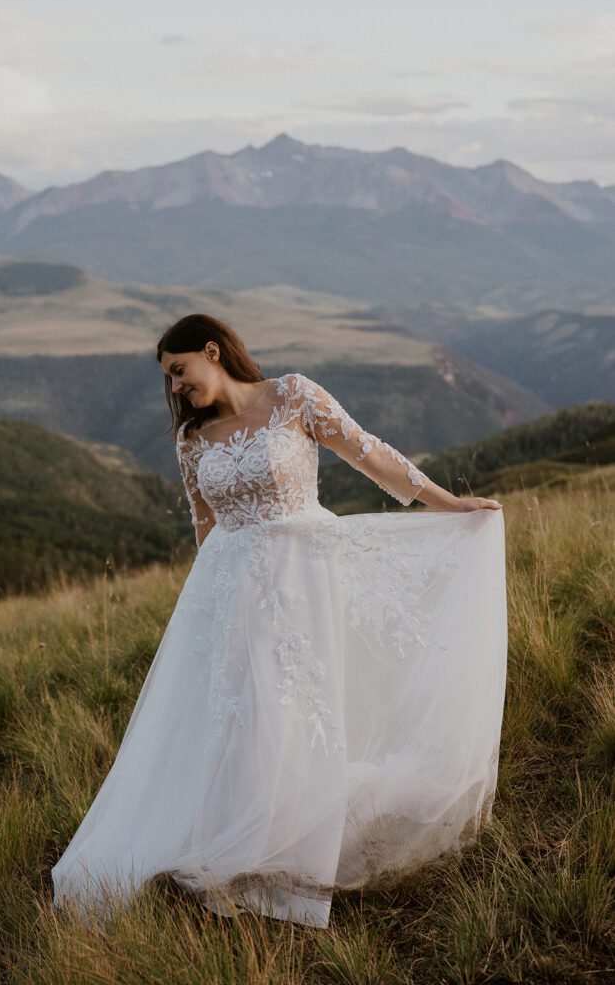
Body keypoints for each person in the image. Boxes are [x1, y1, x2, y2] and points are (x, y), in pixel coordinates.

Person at [52, 313, 507, 929]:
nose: (177, 387)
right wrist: (204, 612)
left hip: (304, 579)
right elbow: (205, 526)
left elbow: (369, 454)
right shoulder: (191, 441)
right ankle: (244, 848)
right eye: (170, 379)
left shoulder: (295, 396)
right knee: (246, 713)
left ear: (212, 351)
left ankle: (289, 846)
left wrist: (450, 505)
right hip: (230, 591)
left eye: (180, 370)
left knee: (296, 711)